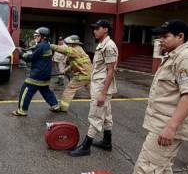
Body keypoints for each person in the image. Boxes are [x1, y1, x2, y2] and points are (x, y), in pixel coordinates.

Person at [133, 19, 188, 174]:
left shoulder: (185, 58)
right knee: (163, 168)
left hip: (166, 126)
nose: (160, 40)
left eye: (165, 36)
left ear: (180, 36)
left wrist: (171, 128)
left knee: (145, 172)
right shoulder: (173, 57)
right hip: (161, 123)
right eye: (159, 37)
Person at [69, 19, 118, 157]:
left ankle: (86, 146)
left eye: (97, 28)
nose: (94, 31)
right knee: (106, 115)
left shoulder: (109, 46)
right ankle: (107, 142)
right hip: (98, 83)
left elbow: (111, 71)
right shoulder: (102, 45)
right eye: (94, 28)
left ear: (106, 29)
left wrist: (103, 93)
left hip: (102, 86)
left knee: (95, 114)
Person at [12, 27, 59, 116]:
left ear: (43, 37)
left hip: (37, 75)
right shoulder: (46, 45)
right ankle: (55, 105)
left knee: (26, 89)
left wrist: (21, 53)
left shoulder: (41, 46)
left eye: (37, 36)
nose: (35, 37)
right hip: (45, 75)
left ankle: (22, 110)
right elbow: (34, 48)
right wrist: (23, 49)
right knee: (45, 90)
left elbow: (30, 58)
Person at [49, 35, 92, 112]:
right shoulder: (79, 49)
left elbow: (63, 50)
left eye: (68, 43)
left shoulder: (74, 50)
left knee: (69, 90)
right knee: (93, 92)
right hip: (89, 75)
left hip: (82, 76)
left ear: (72, 43)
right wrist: (65, 69)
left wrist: (49, 45)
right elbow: (74, 63)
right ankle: (99, 106)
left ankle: (63, 108)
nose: (68, 45)